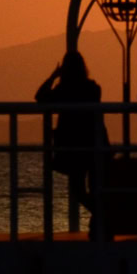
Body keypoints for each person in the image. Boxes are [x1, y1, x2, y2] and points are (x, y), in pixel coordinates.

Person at [36, 49, 105, 235]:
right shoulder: (93, 88)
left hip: (74, 146)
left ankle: (102, 219)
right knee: (97, 189)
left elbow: (40, 97)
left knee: (78, 190)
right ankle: (101, 222)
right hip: (94, 144)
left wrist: (53, 76)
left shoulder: (64, 89)